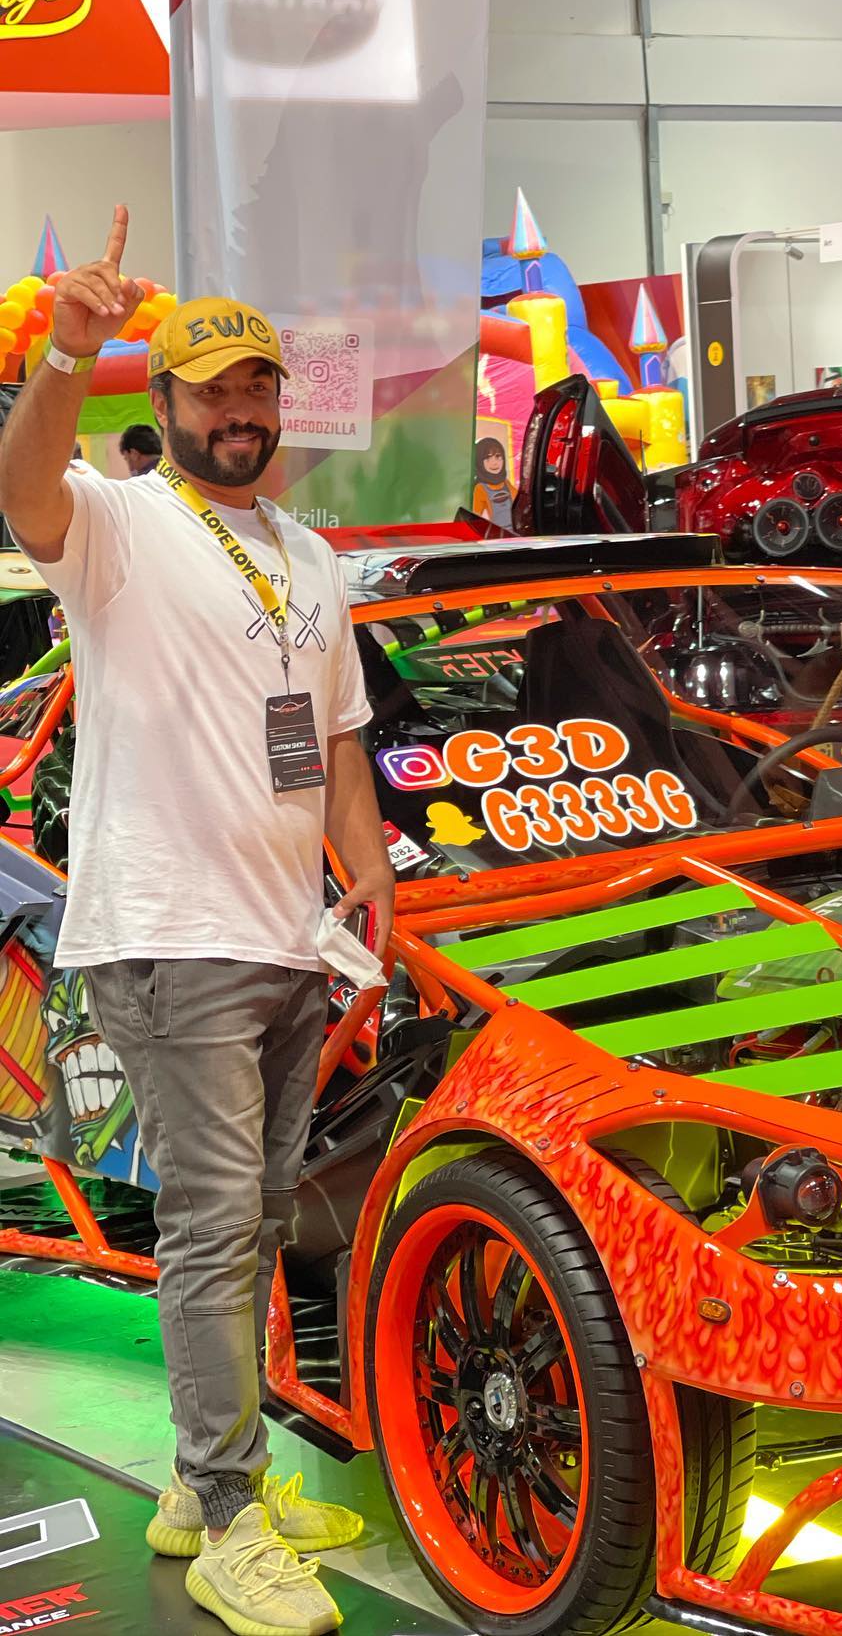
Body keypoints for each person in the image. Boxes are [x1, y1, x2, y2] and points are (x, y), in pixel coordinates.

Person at [0, 207, 394, 1636]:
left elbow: (335, 736)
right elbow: (24, 488)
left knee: (258, 1215)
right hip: (170, 934)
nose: (240, 409)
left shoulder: (308, 553)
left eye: (258, 386)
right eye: (213, 388)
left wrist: (369, 870)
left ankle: (199, 1479)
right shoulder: (118, 524)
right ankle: (231, 1517)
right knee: (217, 1220)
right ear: (163, 403)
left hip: (290, 932)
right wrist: (65, 355)